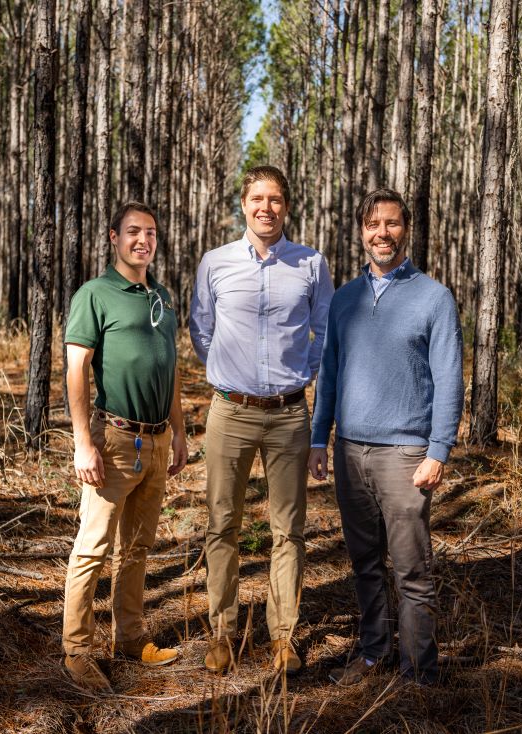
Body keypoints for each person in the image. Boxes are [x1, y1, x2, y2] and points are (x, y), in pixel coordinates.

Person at [308, 188, 464, 685]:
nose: (383, 233)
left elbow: (449, 380)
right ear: (361, 232)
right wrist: (319, 439)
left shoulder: (434, 298)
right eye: (373, 224)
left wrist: (438, 451)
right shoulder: (345, 300)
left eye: (392, 223)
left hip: (405, 454)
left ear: (406, 229)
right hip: (350, 451)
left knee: (412, 571)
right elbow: (329, 374)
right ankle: (374, 653)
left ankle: (419, 674)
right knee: (365, 564)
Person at [189, 165, 334, 675]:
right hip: (230, 412)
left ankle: (283, 637)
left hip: (289, 415)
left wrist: (302, 376)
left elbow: (326, 333)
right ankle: (221, 633)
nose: (265, 207)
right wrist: (229, 373)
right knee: (221, 524)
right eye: (257, 198)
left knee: (288, 530)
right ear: (243, 204)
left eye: (274, 199)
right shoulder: (216, 262)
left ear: (286, 206)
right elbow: (201, 329)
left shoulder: (310, 264)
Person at [61, 202, 188, 693]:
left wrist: (179, 432)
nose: (143, 240)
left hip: (156, 439)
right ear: (114, 237)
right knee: (93, 547)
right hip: (113, 439)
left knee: (137, 547)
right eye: (133, 231)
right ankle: (77, 651)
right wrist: (83, 443)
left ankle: (130, 638)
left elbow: (169, 369)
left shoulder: (162, 297)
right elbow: (76, 368)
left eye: (150, 232)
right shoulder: (95, 294)